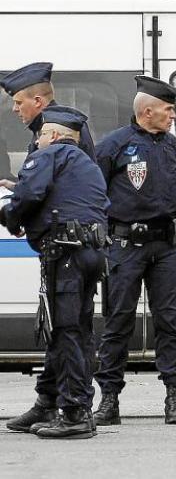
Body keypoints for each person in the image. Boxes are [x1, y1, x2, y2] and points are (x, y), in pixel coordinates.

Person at [0, 108, 108, 439]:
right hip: (90, 253)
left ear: (56, 136)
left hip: (64, 256)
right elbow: (64, 196)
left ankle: (75, 413)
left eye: (41, 134)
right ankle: (54, 403)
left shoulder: (49, 155)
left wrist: (9, 213)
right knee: (77, 330)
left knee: (65, 332)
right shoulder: (86, 164)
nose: (36, 141)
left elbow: (29, 195)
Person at [93, 76, 176, 426]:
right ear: (147, 112)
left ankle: (174, 394)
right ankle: (109, 399)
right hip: (125, 247)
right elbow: (96, 192)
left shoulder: (173, 147)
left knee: (170, 323)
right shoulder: (114, 145)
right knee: (118, 323)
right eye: (167, 110)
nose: (172, 116)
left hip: (164, 246)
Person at [0, 62, 95, 191]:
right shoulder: (49, 123)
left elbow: (47, 188)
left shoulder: (55, 128)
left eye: (19, 103)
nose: (14, 109)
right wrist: (14, 187)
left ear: (37, 101)